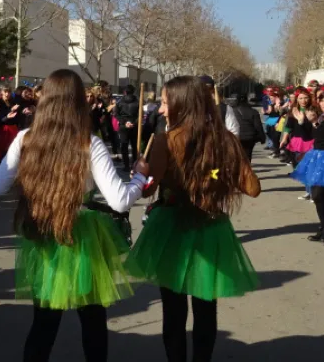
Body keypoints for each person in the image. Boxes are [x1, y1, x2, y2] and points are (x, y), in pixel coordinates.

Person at [0, 69, 149, 362]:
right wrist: (139, 178)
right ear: (78, 101)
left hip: (42, 231)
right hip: (82, 235)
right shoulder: (89, 142)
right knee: (93, 321)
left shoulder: (25, 139)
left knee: (43, 324)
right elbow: (119, 200)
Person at [125, 76, 261, 362]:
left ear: (182, 104)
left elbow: (148, 189)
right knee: (206, 309)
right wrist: (216, 175)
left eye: (165, 103)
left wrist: (141, 171)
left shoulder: (165, 141)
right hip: (210, 227)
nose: (161, 110)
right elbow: (253, 188)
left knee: (173, 311)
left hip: (171, 228)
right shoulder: (224, 140)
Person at [291, 87, 324, 243]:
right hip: (320, 160)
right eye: (322, 100)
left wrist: (314, 123)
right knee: (317, 194)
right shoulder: (321, 118)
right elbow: (310, 137)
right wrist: (302, 123)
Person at [230, 93, 267, 161]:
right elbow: (258, 126)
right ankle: (247, 166)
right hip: (250, 137)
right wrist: (262, 137)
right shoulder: (253, 111)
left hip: (237, 135)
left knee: (237, 155)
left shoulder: (232, 111)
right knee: (248, 155)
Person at [114, 85, 139, 172]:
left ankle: (126, 165)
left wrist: (124, 122)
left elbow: (116, 114)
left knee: (124, 146)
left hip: (123, 126)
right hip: (133, 126)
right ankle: (135, 164)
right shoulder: (138, 102)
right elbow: (140, 115)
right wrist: (133, 123)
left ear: (125, 92)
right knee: (134, 146)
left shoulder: (120, 102)